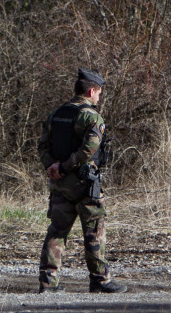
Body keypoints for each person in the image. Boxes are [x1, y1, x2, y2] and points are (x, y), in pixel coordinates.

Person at [36, 68, 127, 293]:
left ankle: (48, 283)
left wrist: (53, 167)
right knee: (94, 232)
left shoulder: (56, 114)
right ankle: (100, 280)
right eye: (99, 93)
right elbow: (89, 149)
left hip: (59, 184)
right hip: (85, 185)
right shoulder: (91, 116)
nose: (99, 97)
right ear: (91, 91)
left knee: (57, 231)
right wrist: (65, 167)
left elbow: (42, 146)